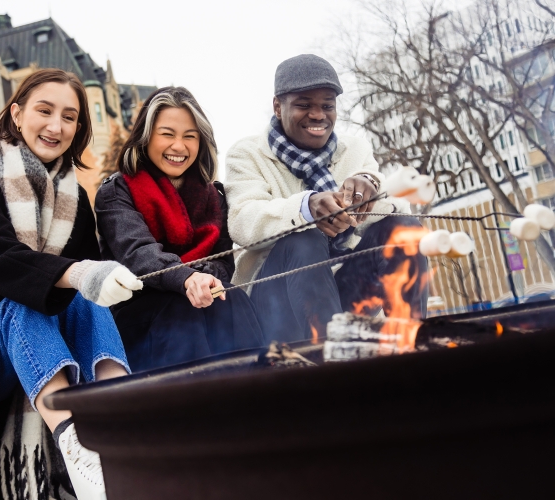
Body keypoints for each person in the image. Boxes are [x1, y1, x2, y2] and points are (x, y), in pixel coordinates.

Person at [0, 69, 143, 500]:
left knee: (83, 296)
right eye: (45, 111)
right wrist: (77, 274)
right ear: (17, 114)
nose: (57, 126)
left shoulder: (78, 199)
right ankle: (76, 443)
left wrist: (95, 276)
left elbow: (84, 282)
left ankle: (119, 419)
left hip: (52, 343)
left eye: (69, 117)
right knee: (35, 295)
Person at [225, 54, 427, 343]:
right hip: (274, 306)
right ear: (277, 106)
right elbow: (243, 222)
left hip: (342, 291)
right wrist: (307, 207)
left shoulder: (353, 149)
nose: (318, 115)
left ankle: (412, 345)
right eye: (304, 105)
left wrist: (370, 185)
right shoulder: (246, 154)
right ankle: (333, 369)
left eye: (327, 106)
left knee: (401, 228)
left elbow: (401, 209)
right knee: (304, 238)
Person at [96, 86, 264, 372]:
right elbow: (138, 254)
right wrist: (186, 279)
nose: (179, 146)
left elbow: (224, 262)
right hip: (142, 311)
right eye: (167, 134)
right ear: (146, 137)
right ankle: (192, 406)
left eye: (190, 136)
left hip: (202, 304)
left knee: (231, 297)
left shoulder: (215, 197)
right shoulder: (117, 191)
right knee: (180, 308)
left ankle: (256, 392)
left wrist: (204, 281)